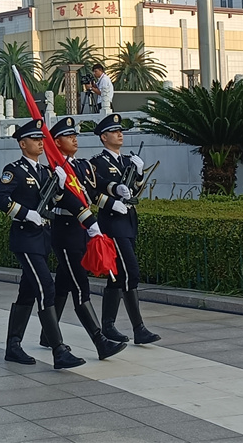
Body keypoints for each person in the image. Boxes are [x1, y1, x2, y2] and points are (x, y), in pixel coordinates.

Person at [0, 119, 84, 370]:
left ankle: (13, 346)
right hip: (25, 238)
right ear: (23, 144)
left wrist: (60, 187)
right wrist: (24, 213)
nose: (41, 143)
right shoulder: (15, 170)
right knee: (46, 288)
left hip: (42, 239)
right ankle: (58, 350)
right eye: (35, 139)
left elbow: (56, 200)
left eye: (42, 139)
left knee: (28, 291)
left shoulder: (44, 172)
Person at [38, 118, 125, 360]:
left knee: (64, 283)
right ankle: (100, 341)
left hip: (82, 230)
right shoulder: (55, 170)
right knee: (80, 286)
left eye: (75, 135)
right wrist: (90, 221)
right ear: (56, 143)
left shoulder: (82, 166)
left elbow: (93, 193)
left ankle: (47, 335)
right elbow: (68, 200)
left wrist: (115, 194)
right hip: (66, 230)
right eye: (69, 136)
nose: (75, 139)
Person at [90, 114, 160, 345]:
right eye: (114, 131)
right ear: (104, 137)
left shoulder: (128, 161)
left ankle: (109, 325)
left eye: (121, 131)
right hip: (112, 222)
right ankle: (138, 328)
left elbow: (135, 192)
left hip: (129, 220)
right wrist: (112, 201)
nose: (120, 134)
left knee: (118, 275)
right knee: (131, 272)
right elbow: (93, 193)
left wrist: (138, 173)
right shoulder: (97, 162)